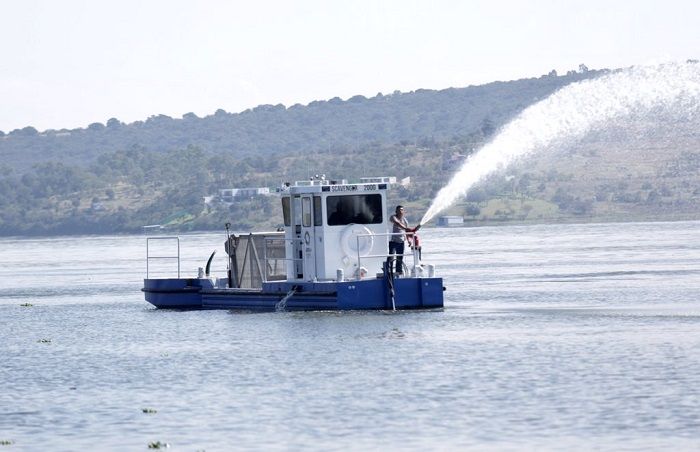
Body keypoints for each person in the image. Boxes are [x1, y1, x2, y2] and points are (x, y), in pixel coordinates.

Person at [387, 205, 411, 276]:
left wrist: (409, 240)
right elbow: (397, 223)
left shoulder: (405, 220)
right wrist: (406, 228)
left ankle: (399, 271)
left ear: (403, 212)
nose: (400, 211)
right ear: (396, 211)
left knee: (400, 257)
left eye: (402, 210)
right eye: (399, 210)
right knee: (391, 256)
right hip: (393, 241)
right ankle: (388, 270)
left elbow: (407, 232)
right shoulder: (393, 217)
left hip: (401, 241)